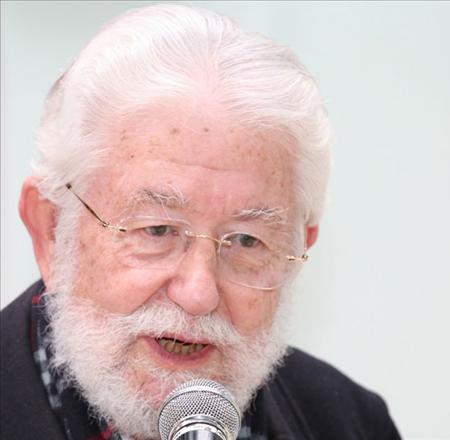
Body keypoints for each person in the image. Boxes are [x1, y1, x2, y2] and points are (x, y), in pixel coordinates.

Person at [0, 4, 400, 440]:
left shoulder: (351, 424)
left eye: (246, 241)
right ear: (52, 232)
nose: (199, 294)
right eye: (157, 230)